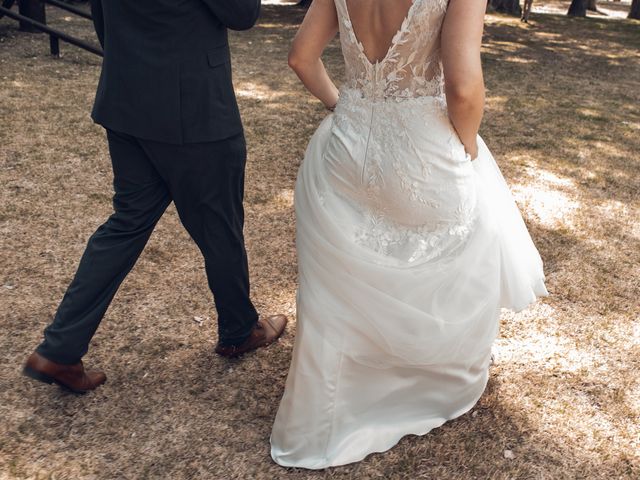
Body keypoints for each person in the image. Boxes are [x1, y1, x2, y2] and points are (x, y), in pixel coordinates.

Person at [270, 0, 548, 468]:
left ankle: (326, 413)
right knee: (451, 256)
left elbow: (301, 56)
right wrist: (466, 145)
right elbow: (462, 86)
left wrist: (345, 106)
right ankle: (432, 377)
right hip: (424, 145)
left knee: (342, 284)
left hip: (347, 142)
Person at [22, 0, 287, 394]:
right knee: (220, 225)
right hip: (194, 107)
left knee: (127, 223)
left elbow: (101, 13)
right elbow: (242, 14)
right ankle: (239, 330)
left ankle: (59, 348)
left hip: (127, 95)